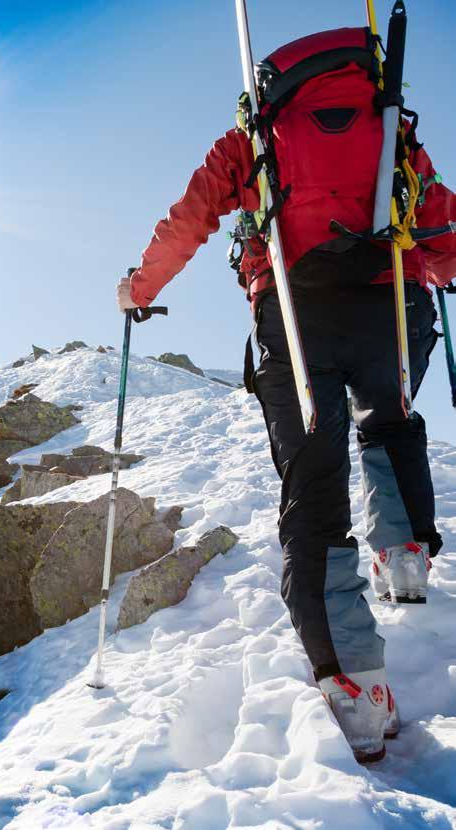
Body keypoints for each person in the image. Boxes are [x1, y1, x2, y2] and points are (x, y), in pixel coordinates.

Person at [116, 27, 456, 762]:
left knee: (315, 486)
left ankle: (356, 689)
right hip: (389, 306)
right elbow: (435, 214)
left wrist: (138, 289)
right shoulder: (388, 123)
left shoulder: (253, 136)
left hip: (296, 316)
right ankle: (402, 554)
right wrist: (442, 263)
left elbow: (190, 217)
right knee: (391, 422)